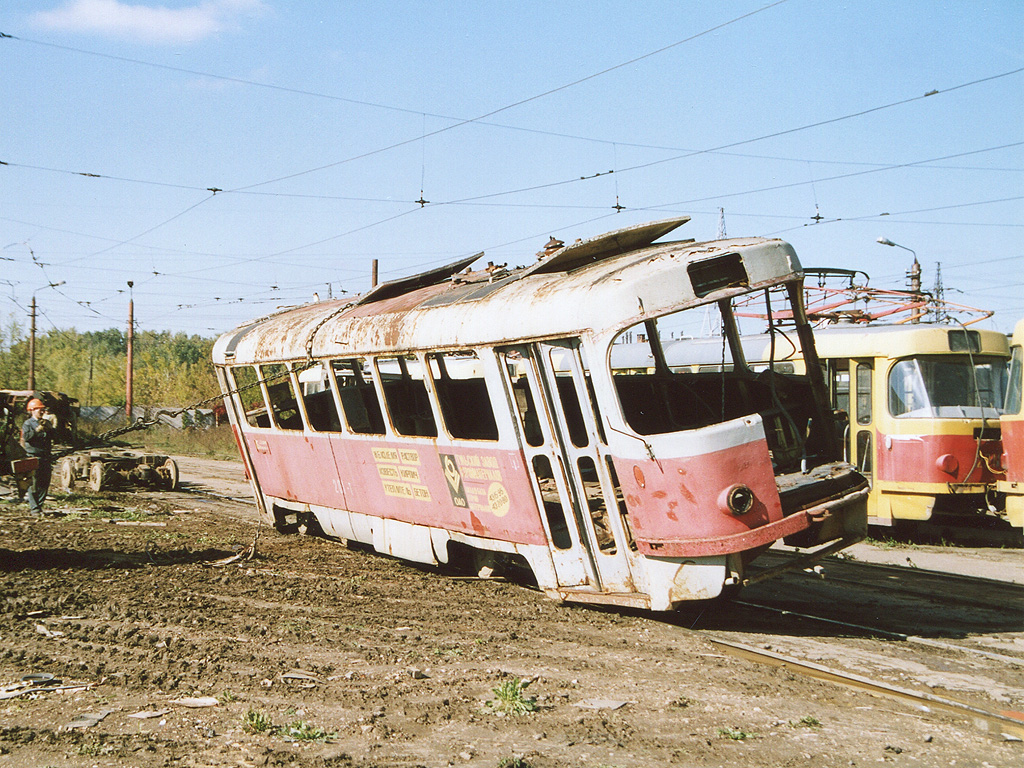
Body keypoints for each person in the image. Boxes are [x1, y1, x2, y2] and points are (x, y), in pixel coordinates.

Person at [21, 398, 54, 517]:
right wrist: (37, 430)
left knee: (45, 483)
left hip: (45, 456)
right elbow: (27, 437)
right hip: (33, 456)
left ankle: (39, 507)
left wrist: (51, 429)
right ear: (32, 410)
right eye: (40, 409)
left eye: (43, 409)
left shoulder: (45, 423)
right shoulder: (28, 424)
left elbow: (56, 437)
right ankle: (34, 509)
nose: (42, 411)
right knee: (33, 484)